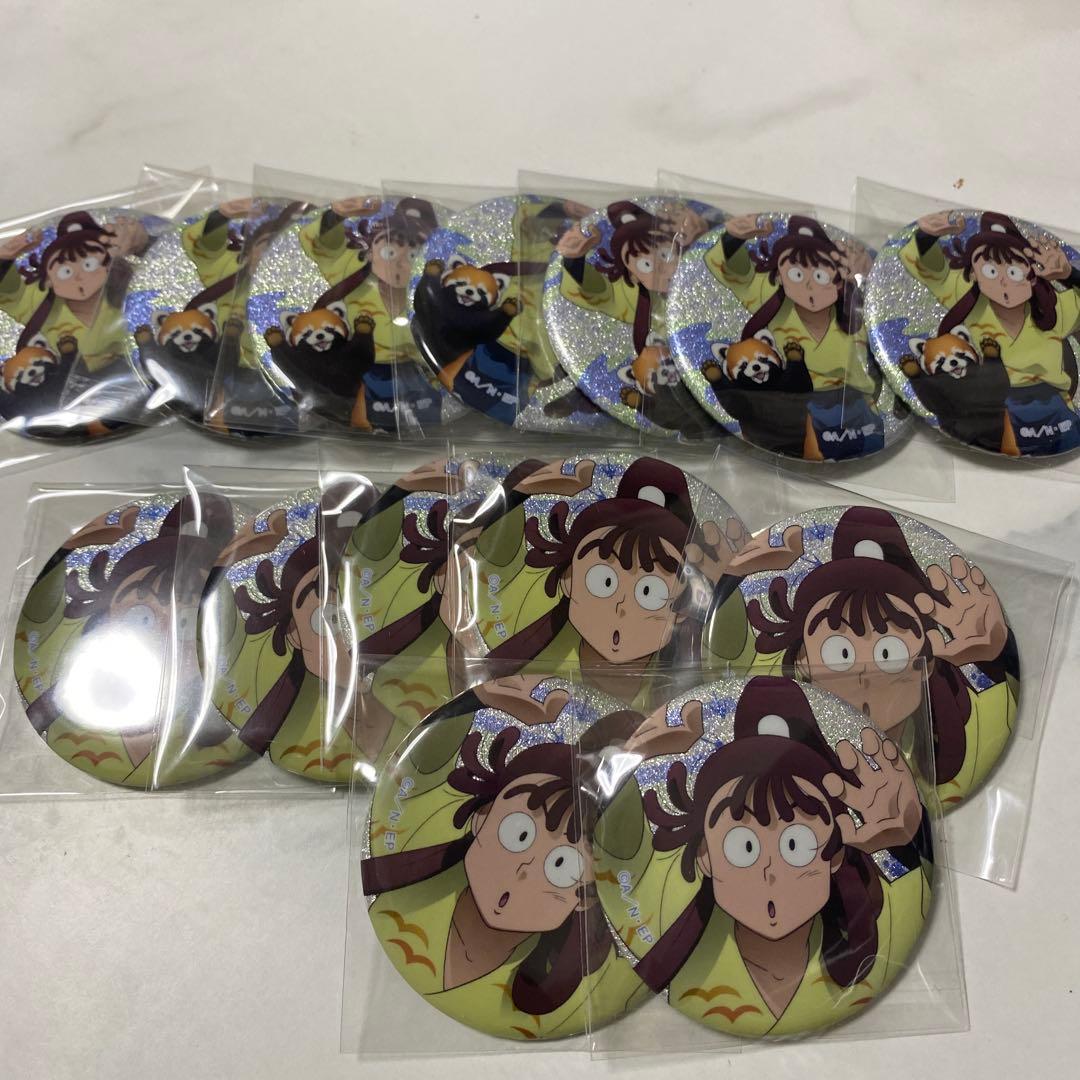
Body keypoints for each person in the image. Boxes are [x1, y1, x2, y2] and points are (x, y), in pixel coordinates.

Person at [594, 675, 930, 1037]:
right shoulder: (669, 924)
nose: (770, 870)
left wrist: (909, 838)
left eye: (796, 845)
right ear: (705, 856)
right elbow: (620, 851)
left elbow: (914, 883)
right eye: (743, 847)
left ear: (834, 853)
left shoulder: (886, 920)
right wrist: (638, 761)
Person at [360, 676, 649, 1039]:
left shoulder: (592, 990)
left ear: (586, 895)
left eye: (562, 866)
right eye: (518, 833)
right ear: (481, 819)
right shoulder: (401, 906)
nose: (524, 870)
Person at [745, 506, 1017, 805]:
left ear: (926, 662)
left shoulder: (977, 739)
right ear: (803, 663)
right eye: (840, 653)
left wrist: (993, 656)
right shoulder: (795, 787)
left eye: (889, 653)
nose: (865, 677)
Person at [482, 456, 802, 708]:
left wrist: (727, 586)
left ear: (683, 607)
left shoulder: (690, 689)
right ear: (569, 580)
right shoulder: (527, 663)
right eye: (603, 581)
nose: (621, 605)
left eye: (650, 592)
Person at [901, 210, 1080, 456]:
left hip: (1056, 407)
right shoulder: (973, 302)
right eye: (990, 272)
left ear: (1032, 275)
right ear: (974, 275)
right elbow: (932, 270)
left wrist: (1069, 275)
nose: (1004, 282)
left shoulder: (1054, 308)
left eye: (1015, 272)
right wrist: (926, 237)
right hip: (999, 410)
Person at [705, 214, 881, 460]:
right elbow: (732, 271)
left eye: (820, 276)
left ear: (838, 279)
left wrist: (870, 274)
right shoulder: (774, 302)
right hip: (796, 412)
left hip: (855, 410)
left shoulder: (856, 311)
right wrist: (732, 238)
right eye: (796, 275)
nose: (809, 286)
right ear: (779, 278)